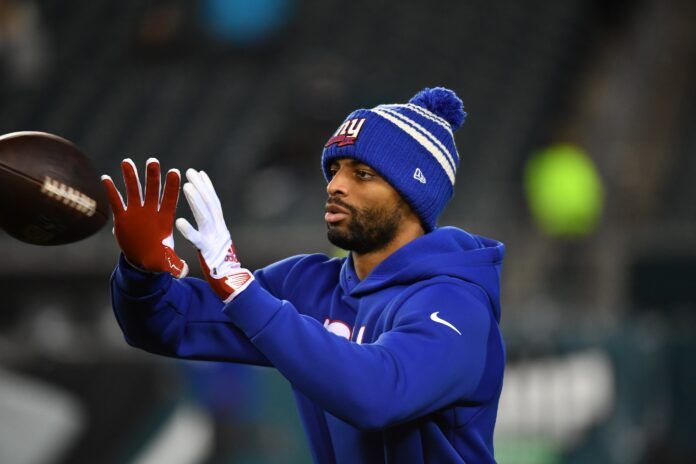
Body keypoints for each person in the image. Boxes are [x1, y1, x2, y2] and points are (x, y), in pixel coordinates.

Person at [102, 87, 506, 463]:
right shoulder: (308, 283)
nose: (335, 185)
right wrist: (141, 272)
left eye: (362, 174)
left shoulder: (455, 302)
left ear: (413, 195)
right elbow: (167, 324)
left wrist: (238, 286)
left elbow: (379, 395)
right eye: (335, 169)